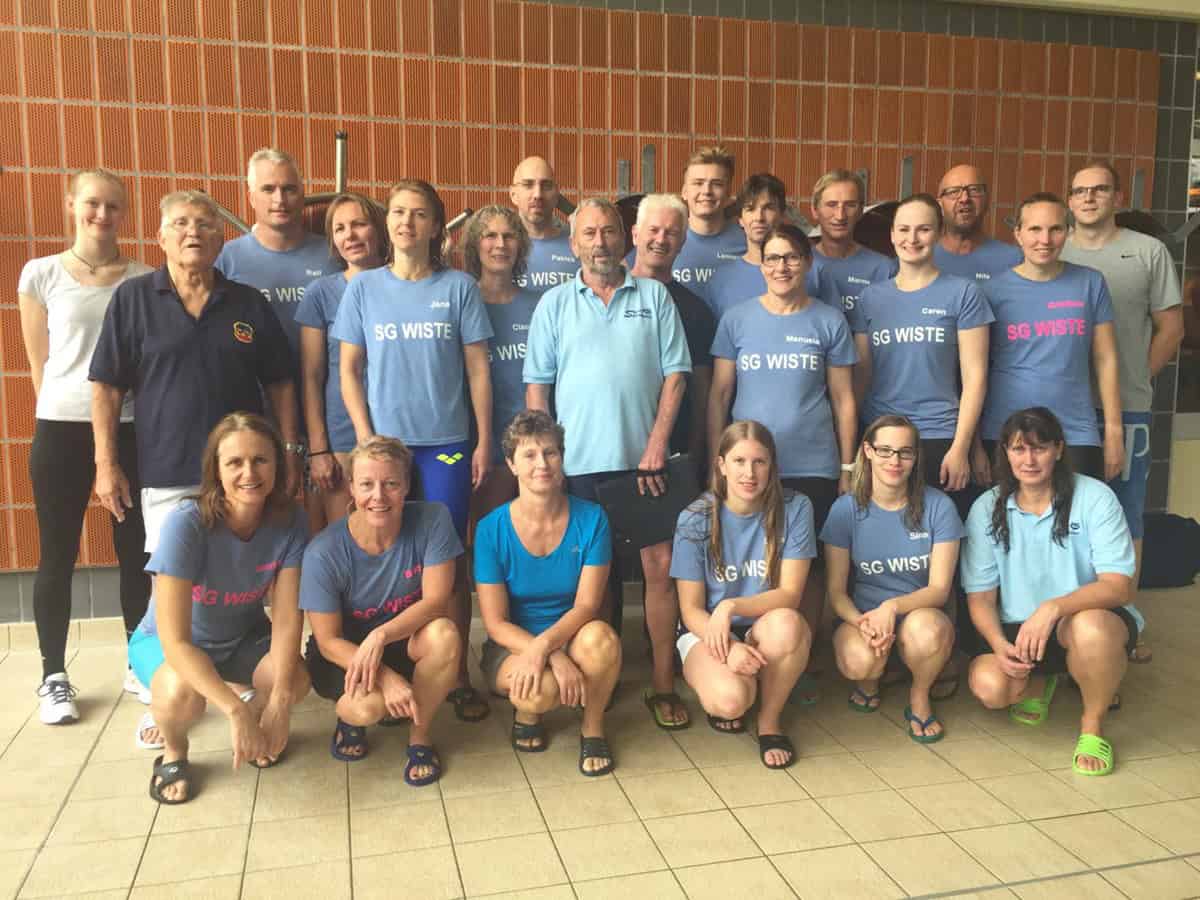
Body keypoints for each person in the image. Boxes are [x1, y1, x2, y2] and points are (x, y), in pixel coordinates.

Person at [525, 197, 692, 731]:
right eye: (589, 233)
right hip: (576, 469)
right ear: (573, 243)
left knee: (660, 571)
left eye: (610, 231)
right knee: (591, 582)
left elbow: (676, 376)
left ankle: (663, 684)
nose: (600, 242)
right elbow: (538, 390)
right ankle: (601, 677)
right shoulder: (554, 304)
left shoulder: (655, 297)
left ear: (626, 238)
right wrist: (544, 462)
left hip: (645, 466)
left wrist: (657, 444)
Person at [334, 178, 494, 723]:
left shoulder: (459, 288)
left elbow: (478, 371)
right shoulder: (364, 288)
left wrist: (483, 440)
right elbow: (348, 370)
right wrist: (363, 437)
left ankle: (459, 673)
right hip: (385, 450)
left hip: (445, 445)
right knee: (381, 553)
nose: (406, 222)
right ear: (388, 223)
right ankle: (383, 664)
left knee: (449, 558)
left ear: (435, 226)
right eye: (398, 212)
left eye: (419, 213)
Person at [89, 189, 300, 560]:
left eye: (205, 224)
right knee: (172, 580)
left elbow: (280, 384)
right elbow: (107, 388)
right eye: (181, 223)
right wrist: (106, 464)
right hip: (166, 472)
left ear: (219, 240)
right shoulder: (132, 299)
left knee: (241, 577)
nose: (193, 232)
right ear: (161, 238)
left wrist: (289, 454)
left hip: (243, 475)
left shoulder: (248, 302)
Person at [18, 169, 153, 724]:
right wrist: (65, 417)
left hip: (130, 428)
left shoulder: (145, 278)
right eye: (93, 203)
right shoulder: (41, 273)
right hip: (62, 428)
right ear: (72, 204)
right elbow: (39, 363)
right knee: (57, 554)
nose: (102, 214)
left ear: (125, 212)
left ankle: (138, 662)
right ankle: (53, 675)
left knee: (135, 551)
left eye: (113, 206)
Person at [128, 413, 311, 804]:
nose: (249, 473)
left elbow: (286, 619)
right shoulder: (186, 524)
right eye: (235, 462)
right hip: (167, 643)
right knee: (181, 695)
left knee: (295, 678)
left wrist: (278, 702)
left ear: (277, 465)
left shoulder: (292, 520)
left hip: (241, 638)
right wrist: (233, 711)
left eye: (260, 460)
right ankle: (174, 750)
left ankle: (255, 716)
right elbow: (176, 641)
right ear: (216, 470)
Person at [963, 407, 1140, 776]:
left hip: (1082, 620)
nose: (1029, 460)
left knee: (1090, 630)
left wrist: (1053, 608)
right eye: (1018, 449)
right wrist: (998, 643)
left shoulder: (1095, 498)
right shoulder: (987, 508)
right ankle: (1042, 680)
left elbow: (1119, 586)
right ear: (1005, 453)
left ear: (1059, 449)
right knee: (989, 687)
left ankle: (1092, 725)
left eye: (1039, 448)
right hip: (1020, 630)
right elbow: (980, 597)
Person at [708, 223, 857, 660]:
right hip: (747, 468)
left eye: (791, 257)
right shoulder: (737, 319)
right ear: (761, 265)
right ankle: (753, 649)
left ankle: (801, 656)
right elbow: (719, 395)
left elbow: (844, 400)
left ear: (808, 263)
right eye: (772, 258)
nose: (782, 266)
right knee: (756, 560)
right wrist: (716, 460)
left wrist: (848, 467)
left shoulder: (828, 320)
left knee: (808, 567)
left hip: (812, 463)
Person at [1061, 160, 1184, 664]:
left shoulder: (1148, 251)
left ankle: (1126, 621)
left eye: (1099, 189)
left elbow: (1171, 328)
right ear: (1070, 200)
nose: (1089, 198)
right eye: (1080, 191)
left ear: (1117, 197)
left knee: (1125, 513)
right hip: (1065, 409)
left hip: (1127, 410)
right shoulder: (1055, 249)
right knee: (1067, 515)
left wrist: (1138, 380)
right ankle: (1073, 620)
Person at [300, 436, 462, 784]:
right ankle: (349, 720)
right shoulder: (323, 552)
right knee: (367, 708)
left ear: (406, 486)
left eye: (391, 483)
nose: (379, 496)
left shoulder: (433, 519)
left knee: (445, 635)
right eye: (367, 485)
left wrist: (381, 634)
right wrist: (386, 677)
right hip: (346, 653)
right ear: (351, 488)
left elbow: (436, 601)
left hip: (400, 638)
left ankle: (420, 737)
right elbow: (327, 641)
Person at [476, 411, 620, 775]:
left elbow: (587, 605)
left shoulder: (593, 518)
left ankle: (593, 728)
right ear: (511, 464)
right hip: (514, 645)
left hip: (575, 634)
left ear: (562, 458)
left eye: (550, 453)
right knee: (540, 691)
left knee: (603, 640)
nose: (542, 464)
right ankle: (527, 715)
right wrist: (549, 654)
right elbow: (495, 623)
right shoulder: (490, 529)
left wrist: (549, 647)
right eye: (529, 454)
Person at [672, 420, 814, 768]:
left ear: (772, 466)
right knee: (731, 702)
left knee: (788, 624)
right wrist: (729, 647)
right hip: (706, 629)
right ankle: (743, 684)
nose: (749, 473)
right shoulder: (695, 517)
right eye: (739, 461)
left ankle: (769, 720)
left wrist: (731, 605)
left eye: (759, 462)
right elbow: (690, 610)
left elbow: (790, 594)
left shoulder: (796, 508)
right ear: (721, 465)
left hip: (765, 625)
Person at [851, 194, 992, 519]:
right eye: (903, 229)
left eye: (923, 229)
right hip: (882, 439)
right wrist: (858, 445)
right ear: (892, 235)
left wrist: (962, 448)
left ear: (939, 233)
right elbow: (861, 379)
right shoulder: (869, 299)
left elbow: (975, 379)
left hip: (939, 437)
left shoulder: (963, 293)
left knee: (940, 534)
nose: (912, 239)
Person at [822, 416, 962, 742]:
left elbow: (939, 590)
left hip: (920, 614)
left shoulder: (939, 506)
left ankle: (919, 695)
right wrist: (861, 623)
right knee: (859, 662)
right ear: (868, 451)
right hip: (864, 618)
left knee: (927, 631)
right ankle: (870, 681)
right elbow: (836, 592)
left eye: (904, 452)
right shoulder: (845, 510)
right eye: (885, 450)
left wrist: (892, 607)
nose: (894, 461)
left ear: (916, 457)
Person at [977, 193, 1124, 483]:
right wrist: (974, 444)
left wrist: (1114, 431)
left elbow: (1105, 359)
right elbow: (974, 370)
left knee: (1077, 511)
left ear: (1067, 232)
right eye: (1034, 229)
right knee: (1006, 512)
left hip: (1075, 431)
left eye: (1055, 229)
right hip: (1005, 430)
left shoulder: (1090, 283)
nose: (1044, 239)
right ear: (1018, 233)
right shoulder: (990, 292)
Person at [295, 192, 388, 529]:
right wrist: (319, 449)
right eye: (340, 228)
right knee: (347, 537)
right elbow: (311, 375)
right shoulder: (320, 293)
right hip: (342, 437)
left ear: (379, 229)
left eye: (359, 224)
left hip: (399, 430)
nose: (350, 235)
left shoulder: (404, 286)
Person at [628, 193, 717, 478]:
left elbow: (702, 393)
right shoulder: (605, 298)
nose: (661, 239)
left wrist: (696, 457)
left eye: (671, 233)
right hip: (612, 450)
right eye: (654, 230)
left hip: (674, 454)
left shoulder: (696, 310)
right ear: (635, 234)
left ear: (682, 242)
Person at [216, 148, 336, 358]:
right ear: (251, 198)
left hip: (323, 377)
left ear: (302, 195)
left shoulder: (333, 256)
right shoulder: (226, 259)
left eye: (289, 189)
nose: (279, 199)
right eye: (268, 189)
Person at [460, 205, 540, 518]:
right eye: (490, 236)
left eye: (509, 236)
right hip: (482, 445)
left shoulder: (540, 304)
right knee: (487, 532)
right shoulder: (462, 301)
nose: (500, 244)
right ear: (474, 244)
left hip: (533, 443)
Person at [628, 146, 746, 297]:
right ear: (684, 192)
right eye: (698, 183)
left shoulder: (746, 243)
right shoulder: (660, 241)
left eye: (717, 184)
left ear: (728, 193)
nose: (707, 191)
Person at [810, 170, 897, 316]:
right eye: (831, 204)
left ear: (861, 211)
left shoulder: (884, 269)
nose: (840, 216)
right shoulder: (797, 266)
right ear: (815, 210)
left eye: (850, 205)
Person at [704, 173, 787, 321]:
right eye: (750, 208)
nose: (759, 217)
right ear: (740, 219)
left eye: (768, 208)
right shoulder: (720, 280)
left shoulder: (802, 274)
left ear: (782, 215)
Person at [932, 164, 1023, 282]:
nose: (964, 198)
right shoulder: (921, 257)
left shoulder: (1014, 260)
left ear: (987, 200)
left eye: (974, 190)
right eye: (953, 192)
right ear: (940, 205)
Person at [510, 156, 578, 294]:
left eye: (546, 186)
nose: (538, 194)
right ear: (513, 194)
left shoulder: (579, 244)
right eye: (528, 185)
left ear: (557, 194)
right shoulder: (498, 247)